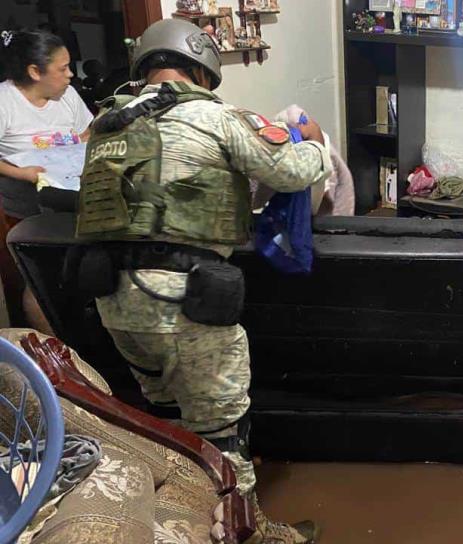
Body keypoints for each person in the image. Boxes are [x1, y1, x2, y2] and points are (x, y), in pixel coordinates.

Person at [73, 19, 332, 543]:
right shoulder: (217, 118)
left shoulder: (105, 122)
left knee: (164, 419)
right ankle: (252, 536)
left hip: (113, 300)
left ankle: (181, 521)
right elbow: (291, 171)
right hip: (185, 301)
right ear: (201, 66)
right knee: (222, 432)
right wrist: (318, 144)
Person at [0, 29, 91, 333]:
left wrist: (77, 149)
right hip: (25, 211)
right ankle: (55, 359)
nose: (69, 76)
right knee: (41, 281)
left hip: (71, 204)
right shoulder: (5, 100)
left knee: (79, 274)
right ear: (34, 71)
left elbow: (88, 132)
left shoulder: (67, 97)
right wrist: (22, 173)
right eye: (62, 69)